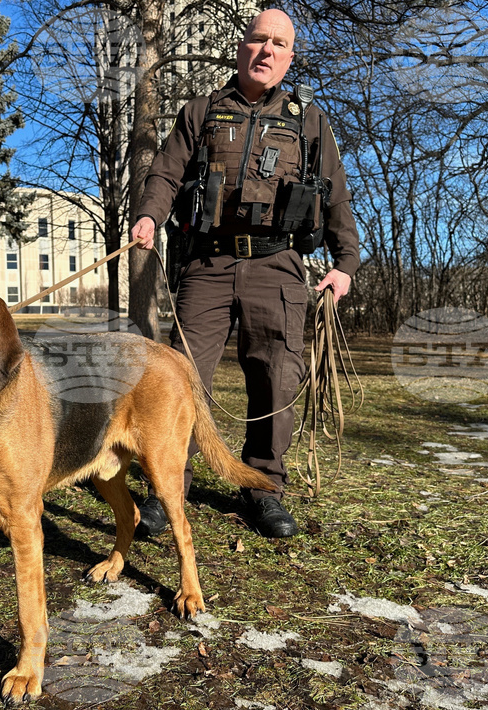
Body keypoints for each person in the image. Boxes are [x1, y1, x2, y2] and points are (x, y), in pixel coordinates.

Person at [130, 9, 360, 538]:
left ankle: (264, 490)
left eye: (279, 43)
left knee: (277, 378)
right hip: (207, 264)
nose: (267, 50)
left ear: (290, 58)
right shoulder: (201, 111)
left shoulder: (309, 121)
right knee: (181, 377)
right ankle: (167, 488)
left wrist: (345, 263)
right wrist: (149, 215)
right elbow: (165, 173)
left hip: (278, 267)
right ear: (242, 48)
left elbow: (336, 197)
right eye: (259, 39)